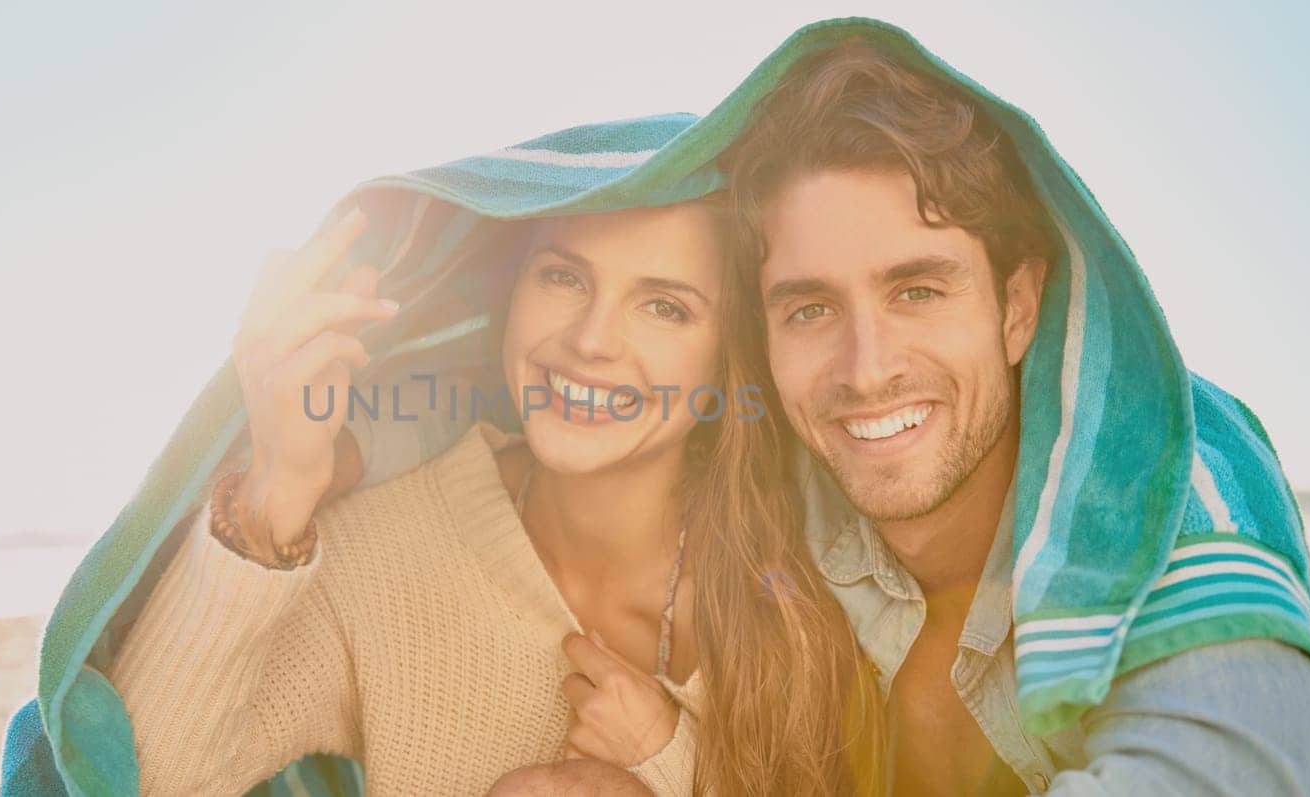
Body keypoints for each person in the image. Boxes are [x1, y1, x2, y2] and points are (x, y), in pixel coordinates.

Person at [103, 194, 874, 796]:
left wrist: (669, 763)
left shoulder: (806, 585)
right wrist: (278, 491)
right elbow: (139, 781)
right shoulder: (380, 552)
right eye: (564, 276)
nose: (592, 339)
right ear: (511, 292)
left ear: (726, 354)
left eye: (664, 305)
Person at [721, 33, 1310, 795]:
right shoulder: (767, 490)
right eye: (810, 308)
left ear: (1017, 307)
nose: (867, 368)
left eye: (918, 291)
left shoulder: (1167, 481)